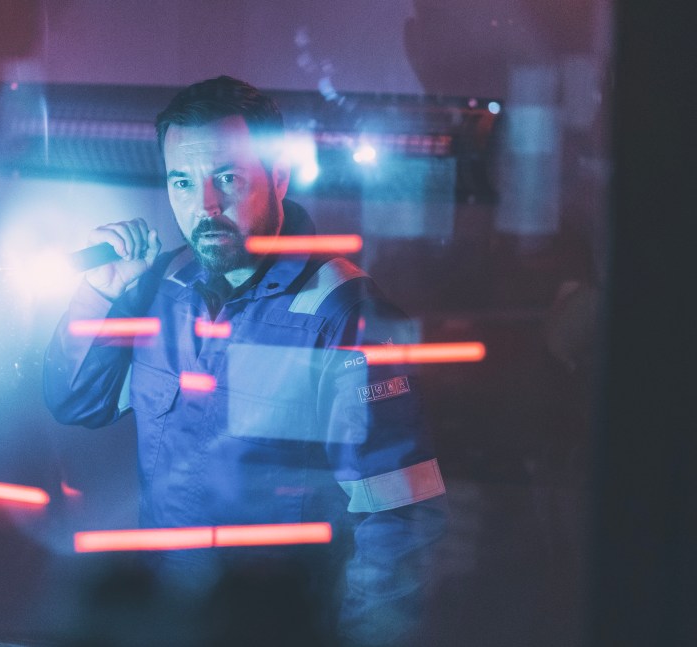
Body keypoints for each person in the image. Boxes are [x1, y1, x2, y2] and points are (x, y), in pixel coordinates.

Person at [43, 75, 447, 646]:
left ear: (277, 178)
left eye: (226, 178)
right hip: (163, 623)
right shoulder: (164, 287)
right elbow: (75, 402)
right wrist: (99, 294)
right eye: (181, 182)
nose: (203, 205)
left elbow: (400, 522)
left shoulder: (341, 313)